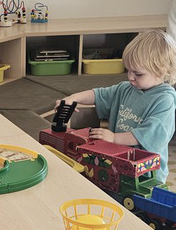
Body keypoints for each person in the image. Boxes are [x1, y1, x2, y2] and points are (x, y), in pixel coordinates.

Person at [56, 30, 176, 183]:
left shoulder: (164, 100)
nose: (130, 77)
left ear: (161, 70)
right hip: (118, 164)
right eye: (128, 70)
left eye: (138, 74)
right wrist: (73, 98)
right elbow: (98, 95)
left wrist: (114, 138)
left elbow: (149, 134)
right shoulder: (125, 89)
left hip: (146, 175)